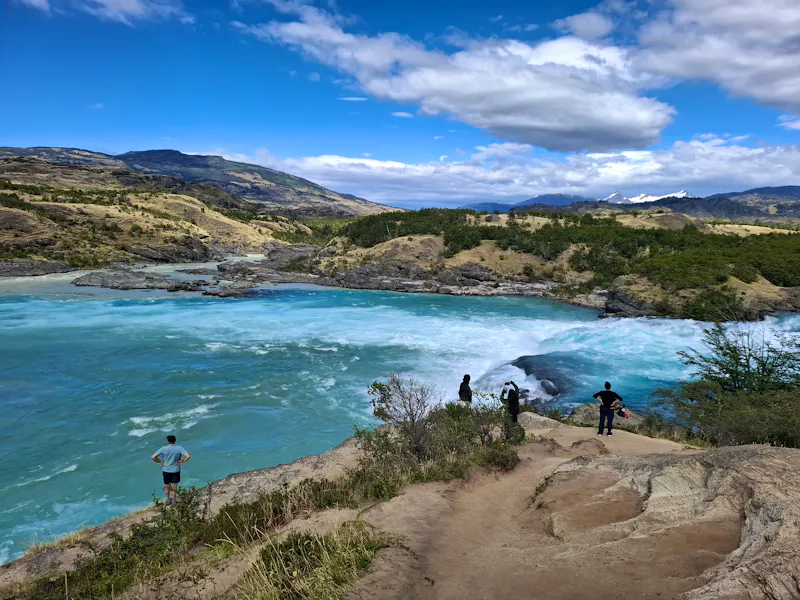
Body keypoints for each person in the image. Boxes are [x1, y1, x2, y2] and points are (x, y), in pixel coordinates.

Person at [151, 435, 191, 505]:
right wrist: (182, 461)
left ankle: (167, 501)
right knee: (174, 487)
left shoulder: (163, 448)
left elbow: (153, 457)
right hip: (175, 470)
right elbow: (188, 456)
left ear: (168, 441)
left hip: (166, 470)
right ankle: (174, 502)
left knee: (167, 486)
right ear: (175, 440)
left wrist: (160, 462)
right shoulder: (179, 448)